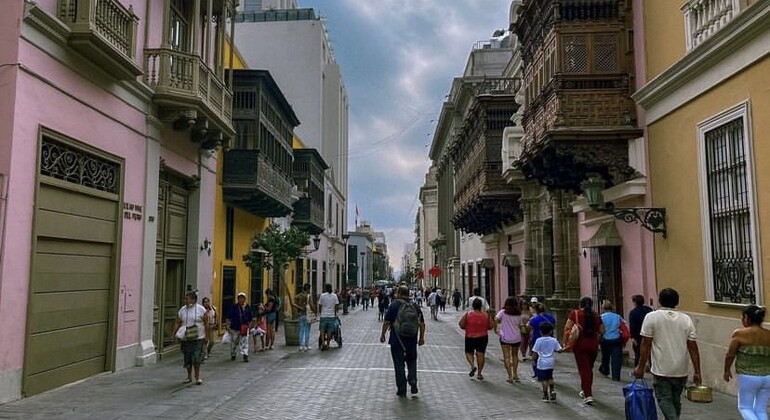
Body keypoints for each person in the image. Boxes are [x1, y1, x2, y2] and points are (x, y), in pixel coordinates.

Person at [634, 288, 702, 420]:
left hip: (661, 369)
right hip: (681, 369)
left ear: (659, 301)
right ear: (677, 302)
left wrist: (640, 366)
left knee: (664, 399)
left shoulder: (652, 317)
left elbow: (646, 344)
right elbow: (693, 347)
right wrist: (697, 371)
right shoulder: (686, 319)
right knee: (675, 401)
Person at [724, 305, 770, 420]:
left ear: (746, 317)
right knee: (760, 409)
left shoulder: (739, 334)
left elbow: (730, 355)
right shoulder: (768, 334)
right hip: (767, 377)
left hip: (748, 376)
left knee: (745, 408)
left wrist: (726, 370)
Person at [380, 286, 426, 397]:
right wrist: (421, 338)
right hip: (411, 340)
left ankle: (401, 389)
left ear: (399, 293)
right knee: (412, 361)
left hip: (397, 341)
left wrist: (383, 335)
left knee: (399, 365)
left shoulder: (394, 305)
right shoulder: (415, 306)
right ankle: (413, 380)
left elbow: (386, 322)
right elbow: (422, 324)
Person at [565, 296, 603, 405]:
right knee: (589, 368)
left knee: (584, 369)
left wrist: (567, 341)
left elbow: (567, 327)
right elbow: (602, 330)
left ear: (580, 304)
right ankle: (585, 389)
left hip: (580, 344)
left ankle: (588, 394)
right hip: (593, 344)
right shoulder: (596, 315)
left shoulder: (574, 314)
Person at [172, 291, 209, 385]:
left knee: (196, 357)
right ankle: (189, 376)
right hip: (186, 337)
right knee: (187, 357)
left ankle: (197, 376)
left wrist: (206, 336)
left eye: (187, 298)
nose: (185, 300)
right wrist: (173, 334)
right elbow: (177, 322)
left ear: (193, 299)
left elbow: (206, 323)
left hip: (198, 337)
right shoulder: (182, 310)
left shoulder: (201, 309)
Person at [459, 298, 495, 381]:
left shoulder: (468, 314)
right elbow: (490, 326)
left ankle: (472, 365)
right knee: (481, 354)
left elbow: (461, 324)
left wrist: (467, 327)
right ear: (481, 306)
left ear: (473, 305)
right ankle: (479, 373)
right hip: (482, 337)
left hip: (470, 336)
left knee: (468, 353)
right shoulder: (486, 315)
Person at [495, 296, 523, 383]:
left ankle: (510, 376)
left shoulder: (503, 312)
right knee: (515, 356)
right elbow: (520, 325)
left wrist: (496, 329)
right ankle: (515, 374)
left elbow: (496, 319)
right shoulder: (518, 314)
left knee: (506, 357)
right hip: (516, 337)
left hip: (505, 337)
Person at [532, 322, 562, 402]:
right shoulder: (554, 340)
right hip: (551, 362)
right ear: (551, 331)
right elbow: (559, 350)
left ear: (540, 331)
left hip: (542, 362)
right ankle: (552, 390)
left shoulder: (539, 340)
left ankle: (545, 395)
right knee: (550, 377)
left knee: (544, 379)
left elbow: (535, 352)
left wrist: (533, 360)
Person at [528, 302, 556, 377]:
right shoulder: (551, 317)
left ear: (536, 310)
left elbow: (529, 328)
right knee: (548, 355)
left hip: (537, 338)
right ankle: (548, 371)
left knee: (536, 356)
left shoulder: (534, 319)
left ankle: (537, 372)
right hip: (549, 339)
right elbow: (554, 325)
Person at [599, 300, 624, 381]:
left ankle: (605, 370)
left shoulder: (601, 317)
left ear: (603, 308)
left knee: (605, 356)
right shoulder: (617, 316)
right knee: (616, 358)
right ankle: (616, 376)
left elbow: (600, 328)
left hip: (605, 339)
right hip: (616, 339)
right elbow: (623, 325)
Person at [227, 292, 253, 362]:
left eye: (242, 298)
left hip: (244, 327)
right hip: (235, 327)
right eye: (239, 298)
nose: (241, 300)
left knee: (245, 342)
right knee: (234, 342)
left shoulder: (247, 307)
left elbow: (250, 318)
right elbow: (229, 317)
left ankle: (245, 355)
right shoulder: (234, 307)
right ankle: (233, 354)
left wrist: (249, 327)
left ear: (245, 299)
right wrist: (228, 326)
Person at [629, 294, 653, 368]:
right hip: (650, 334)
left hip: (638, 335)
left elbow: (632, 326)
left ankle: (637, 368)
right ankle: (652, 367)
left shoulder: (633, 312)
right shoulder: (649, 310)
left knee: (638, 353)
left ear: (635, 302)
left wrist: (632, 337)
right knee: (651, 354)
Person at [291, 284, 316, 352]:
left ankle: (300, 346)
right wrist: (314, 311)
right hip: (307, 315)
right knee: (307, 330)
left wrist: (300, 308)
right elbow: (311, 304)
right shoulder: (309, 296)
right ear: (308, 289)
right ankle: (306, 345)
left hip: (301, 314)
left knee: (301, 330)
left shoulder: (299, 295)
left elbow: (293, 303)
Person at [318, 283, 340, 350]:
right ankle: (327, 344)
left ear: (325, 288)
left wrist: (320, 312)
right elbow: (336, 306)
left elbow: (320, 305)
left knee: (322, 330)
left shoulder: (322, 295)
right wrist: (335, 313)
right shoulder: (334, 296)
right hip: (331, 316)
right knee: (329, 331)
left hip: (323, 315)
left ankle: (323, 343)